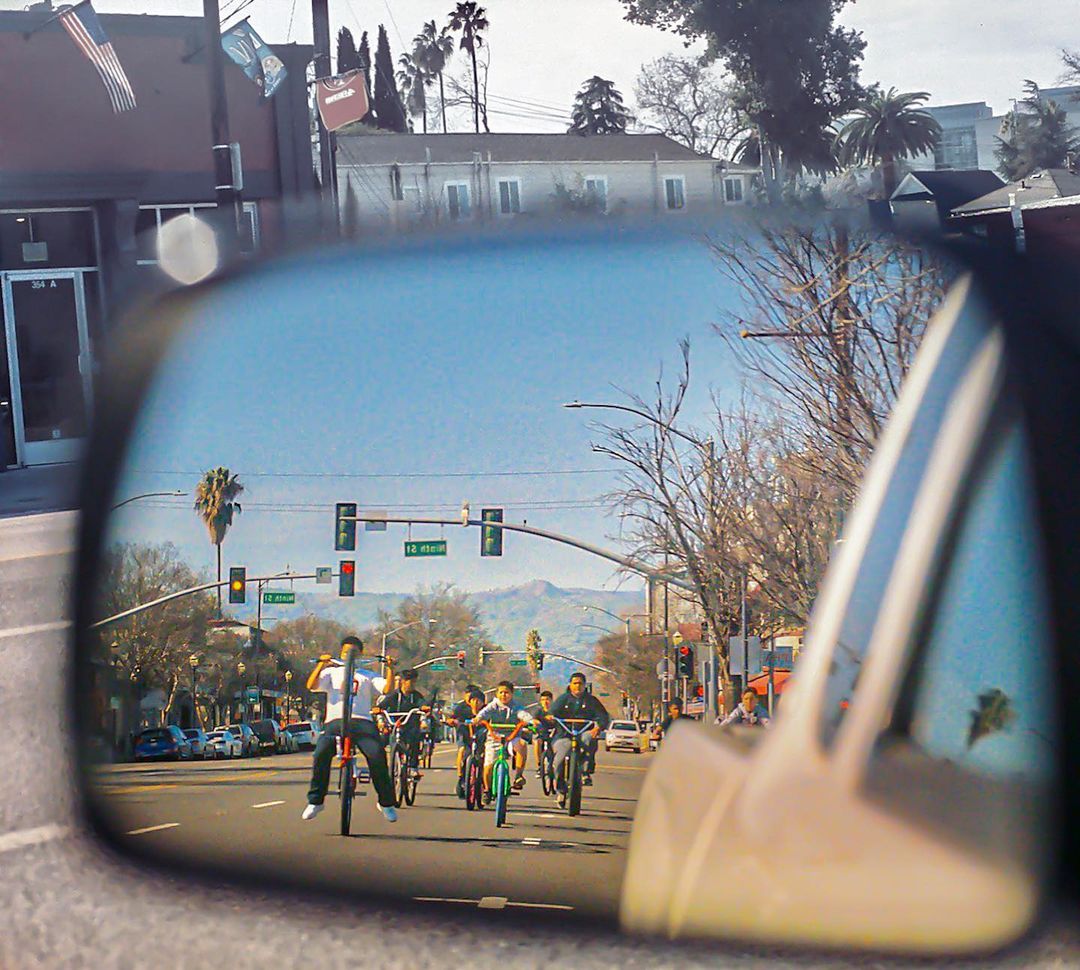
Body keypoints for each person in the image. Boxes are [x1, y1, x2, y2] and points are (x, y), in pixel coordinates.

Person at [301, 635, 397, 822]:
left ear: (359, 654)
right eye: (346, 652)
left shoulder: (367, 675)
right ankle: (316, 801)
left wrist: (391, 669)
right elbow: (311, 686)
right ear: (341, 653)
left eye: (353, 652)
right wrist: (321, 664)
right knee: (320, 753)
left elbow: (386, 689)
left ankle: (386, 803)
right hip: (335, 722)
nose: (349, 655)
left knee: (377, 754)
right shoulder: (331, 672)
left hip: (362, 722)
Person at [548, 672, 610, 808]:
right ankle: (561, 790)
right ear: (570, 685)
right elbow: (552, 713)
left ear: (585, 685)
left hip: (584, 732)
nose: (578, 686)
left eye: (580, 683)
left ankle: (586, 771)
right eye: (575, 683)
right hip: (564, 734)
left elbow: (603, 716)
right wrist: (550, 717)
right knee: (559, 759)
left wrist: (598, 727)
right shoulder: (563, 699)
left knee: (589, 738)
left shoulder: (591, 701)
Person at [473, 681, 533, 798]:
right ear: (497, 694)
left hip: (512, 737)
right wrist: (478, 718)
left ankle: (518, 776)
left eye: (507, 692)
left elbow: (523, 714)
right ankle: (487, 790)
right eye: (501, 692)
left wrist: (530, 721)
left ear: (512, 694)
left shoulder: (516, 706)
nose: (504, 695)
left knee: (522, 744)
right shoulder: (493, 705)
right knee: (488, 766)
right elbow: (484, 713)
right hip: (494, 738)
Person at [375, 668, 427, 776]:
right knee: (381, 742)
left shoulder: (416, 696)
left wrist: (424, 708)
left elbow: (422, 704)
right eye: (410, 682)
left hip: (410, 725)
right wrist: (378, 709)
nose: (412, 685)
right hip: (395, 724)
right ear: (403, 681)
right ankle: (380, 766)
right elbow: (383, 705)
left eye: (414, 682)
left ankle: (413, 767)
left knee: (415, 739)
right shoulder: (394, 695)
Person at [449, 684, 484, 796]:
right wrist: (452, 721)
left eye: (478, 700)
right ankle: (461, 777)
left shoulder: (486, 709)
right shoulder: (461, 708)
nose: (475, 702)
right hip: (465, 735)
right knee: (462, 750)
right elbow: (452, 718)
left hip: (481, 737)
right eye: (472, 699)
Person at [531, 690, 555, 779]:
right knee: (537, 742)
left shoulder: (556, 710)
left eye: (547, 699)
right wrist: (536, 722)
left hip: (554, 733)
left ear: (551, 700)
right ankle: (539, 766)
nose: (545, 702)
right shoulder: (538, 710)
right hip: (541, 733)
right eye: (543, 700)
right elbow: (534, 719)